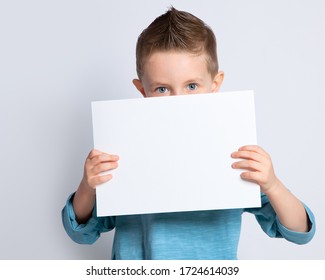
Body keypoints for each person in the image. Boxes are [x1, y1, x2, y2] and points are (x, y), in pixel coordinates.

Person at [61, 7, 315, 260]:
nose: (177, 101)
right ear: (143, 91)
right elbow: (83, 232)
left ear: (214, 84)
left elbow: (299, 230)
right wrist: (88, 186)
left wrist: (272, 184)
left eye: (191, 86)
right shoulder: (124, 151)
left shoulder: (232, 153)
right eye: (162, 89)